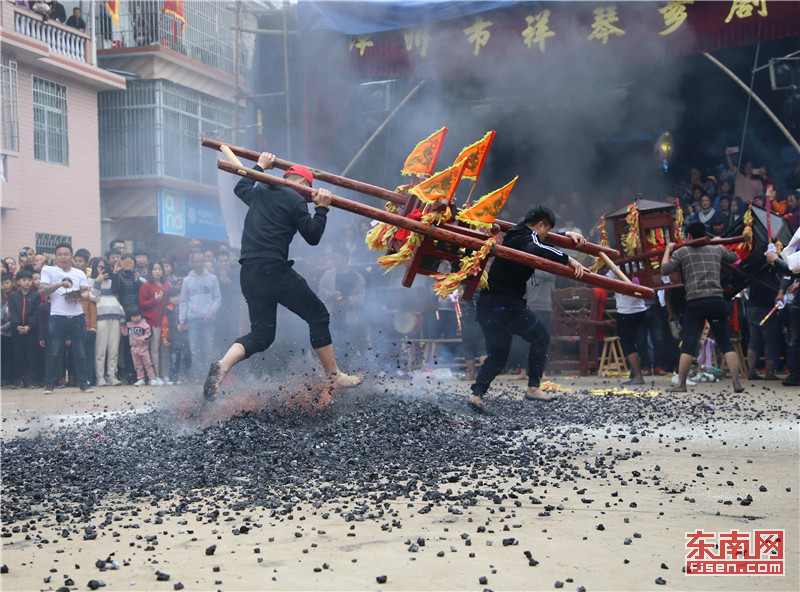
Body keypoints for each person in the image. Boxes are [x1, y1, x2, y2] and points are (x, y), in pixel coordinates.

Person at [203, 152, 363, 400]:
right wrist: (321, 209)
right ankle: (334, 375)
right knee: (318, 315)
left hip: (249, 273)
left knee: (262, 335)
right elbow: (313, 236)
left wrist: (261, 167)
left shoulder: (258, 192)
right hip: (273, 270)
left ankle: (223, 365)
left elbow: (241, 186)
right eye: (309, 189)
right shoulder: (293, 198)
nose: (308, 195)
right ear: (301, 182)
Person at [468, 206, 589, 413]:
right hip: (506, 305)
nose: (546, 235)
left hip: (488, 304)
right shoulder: (527, 238)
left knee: (498, 355)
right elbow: (536, 246)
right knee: (541, 337)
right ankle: (533, 387)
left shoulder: (516, 234)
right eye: (547, 230)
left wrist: (567, 235)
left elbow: (539, 242)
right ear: (540, 225)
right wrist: (568, 258)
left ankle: (476, 396)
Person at [660, 221, 743, 392]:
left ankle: (681, 384)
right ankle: (736, 382)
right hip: (716, 301)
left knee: (688, 344)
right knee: (725, 343)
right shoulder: (716, 249)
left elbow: (665, 269)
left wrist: (668, 249)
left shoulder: (682, 252)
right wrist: (720, 243)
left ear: (689, 236)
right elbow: (735, 258)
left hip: (695, 302)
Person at [39, 243, 92, 393]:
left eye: (66, 254)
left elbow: (86, 293)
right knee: (54, 351)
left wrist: (79, 295)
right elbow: (42, 290)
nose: (63, 257)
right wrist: (59, 284)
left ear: (72, 257)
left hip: (77, 316)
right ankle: (50, 384)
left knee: (80, 352)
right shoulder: (48, 270)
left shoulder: (79, 273)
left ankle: (84, 383)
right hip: (57, 316)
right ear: (55, 257)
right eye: (60, 254)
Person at [179, 249, 221, 380]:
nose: (199, 263)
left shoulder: (212, 279)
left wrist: (211, 312)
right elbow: (183, 301)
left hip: (208, 319)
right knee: (195, 349)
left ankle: (209, 376)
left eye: (201, 261)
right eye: (196, 261)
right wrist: (181, 319)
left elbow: (218, 298)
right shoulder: (187, 280)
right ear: (191, 262)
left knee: (208, 348)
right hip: (193, 319)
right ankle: (197, 376)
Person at [89, 257, 123, 386]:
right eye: (99, 267)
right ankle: (100, 377)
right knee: (100, 350)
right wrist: (97, 281)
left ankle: (111, 375)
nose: (102, 269)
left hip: (115, 316)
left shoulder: (111, 280)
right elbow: (93, 297)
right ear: (94, 268)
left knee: (113, 349)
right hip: (100, 318)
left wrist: (114, 273)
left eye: (104, 267)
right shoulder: (91, 281)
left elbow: (117, 292)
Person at [8, 269, 40, 388]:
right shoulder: (13, 296)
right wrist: (17, 325)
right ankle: (18, 379)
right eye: (24, 280)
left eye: (29, 280)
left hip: (31, 331)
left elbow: (35, 313)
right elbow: (13, 312)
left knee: (32, 355)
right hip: (17, 331)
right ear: (18, 282)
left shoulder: (35, 296)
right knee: (18, 355)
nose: (27, 282)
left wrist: (29, 326)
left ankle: (32, 380)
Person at [139, 261, 170, 380]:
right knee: (155, 348)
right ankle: (155, 375)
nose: (157, 272)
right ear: (151, 272)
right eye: (155, 269)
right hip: (153, 321)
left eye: (159, 269)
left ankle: (165, 375)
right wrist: (154, 300)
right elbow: (142, 304)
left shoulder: (167, 285)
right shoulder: (146, 285)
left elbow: (169, 295)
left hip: (165, 321)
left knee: (165, 348)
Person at [120, 306, 159, 386]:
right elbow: (125, 333)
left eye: (138, 315)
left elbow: (150, 334)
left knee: (148, 363)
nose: (137, 318)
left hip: (143, 347)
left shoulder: (144, 324)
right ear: (130, 317)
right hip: (134, 348)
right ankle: (141, 378)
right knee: (137, 365)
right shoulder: (129, 325)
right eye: (134, 316)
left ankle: (152, 378)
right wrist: (122, 325)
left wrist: (143, 338)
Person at [162, 287, 188, 384]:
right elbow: (164, 325)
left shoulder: (185, 308)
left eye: (177, 296)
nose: (176, 299)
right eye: (173, 297)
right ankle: (172, 378)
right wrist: (164, 337)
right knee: (173, 359)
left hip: (184, 338)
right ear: (169, 299)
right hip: (173, 338)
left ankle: (181, 377)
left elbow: (188, 321)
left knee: (183, 358)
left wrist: (184, 326)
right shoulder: (167, 310)